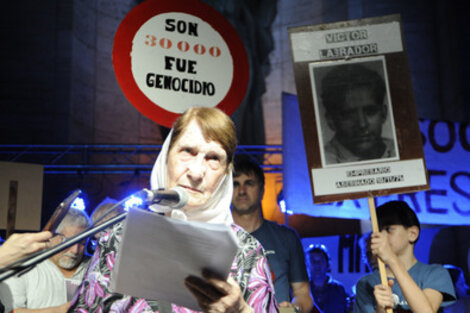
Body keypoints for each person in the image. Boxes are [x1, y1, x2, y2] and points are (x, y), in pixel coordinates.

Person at [68, 107, 277, 313]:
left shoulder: (246, 253)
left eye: (213, 158)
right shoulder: (119, 239)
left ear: (225, 174)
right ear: (166, 156)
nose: (196, 172)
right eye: (187, 151)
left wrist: (241, 310)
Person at [231, 156, 313, 313]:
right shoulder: (215, 235)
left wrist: (294, 309)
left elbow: (303, 293)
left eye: (249, 184)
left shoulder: (286, 237)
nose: (241, 191)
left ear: (262, 190)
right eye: (235, 184)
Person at [354, 201, 456, 313]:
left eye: (388, 229)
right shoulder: (366, 283)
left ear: (412, 233)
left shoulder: (435, 273)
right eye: (378, 230)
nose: (380, 236)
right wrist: (380, 310)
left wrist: (391, 259)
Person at [0, 208, 91, 313]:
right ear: (51, 237)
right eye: (69, 242)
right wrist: (60, 310)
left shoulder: (95, 267)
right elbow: (12, 311)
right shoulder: (23, 267)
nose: (75, 251)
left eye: (82, 243)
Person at [319, 62, 397, 165]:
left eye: (370, 112)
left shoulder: (399, 149)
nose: (362, 124)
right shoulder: (323, 161)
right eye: (348, 115)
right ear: (331, 121)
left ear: (383, 114)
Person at [305, 244, 349, 313]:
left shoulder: (339, 289)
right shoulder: (300, 290)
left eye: (320, 261)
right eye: (313, 261)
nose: (317, 264)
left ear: (328, 264)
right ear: (307, 265)